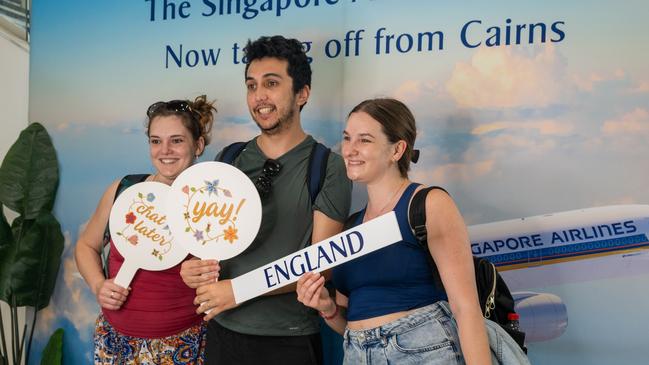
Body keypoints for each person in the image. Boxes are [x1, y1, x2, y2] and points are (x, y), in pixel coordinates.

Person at [297, 98, 530, 364]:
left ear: (397, 150)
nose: (349, 150)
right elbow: (352, 323)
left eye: (364, 140)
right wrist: (327, 309)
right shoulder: (349, 228)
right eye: (347, 138)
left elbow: (466, 309)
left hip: (426, 353)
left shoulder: (428, 205)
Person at [179, 36, 352, 364]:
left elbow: (322, 265)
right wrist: (194, 270)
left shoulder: (327, 166)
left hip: (287, 339)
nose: (259, 96)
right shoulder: (228, 159)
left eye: (271, 83)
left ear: (302, 93)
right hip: (222, 331)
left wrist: (238, 289)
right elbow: (209, 245)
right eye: (251, 85)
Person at [75, 95, 216, 364]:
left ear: (197, 145)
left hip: (183, 345)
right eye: (155, 141)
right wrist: (97, 284)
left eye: (176, 140)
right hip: (115, 343)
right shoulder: (123, 190)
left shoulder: (211, 206)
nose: (165, 150)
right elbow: (85, 246)